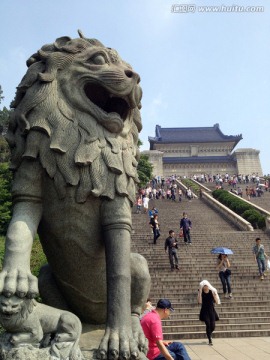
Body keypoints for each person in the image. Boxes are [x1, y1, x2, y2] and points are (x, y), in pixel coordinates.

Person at [198, 280, 220, 346]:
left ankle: (209, 333)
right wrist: (199, 293)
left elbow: (216, 301)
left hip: (211, 310)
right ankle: (210, 339)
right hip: (204, 311)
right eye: (204, 286)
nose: (205, 287)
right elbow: (199, 302)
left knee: (212, 326)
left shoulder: (211, 292)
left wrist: (215, 295)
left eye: (206, 285)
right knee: (208, 324)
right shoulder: (201, 293)